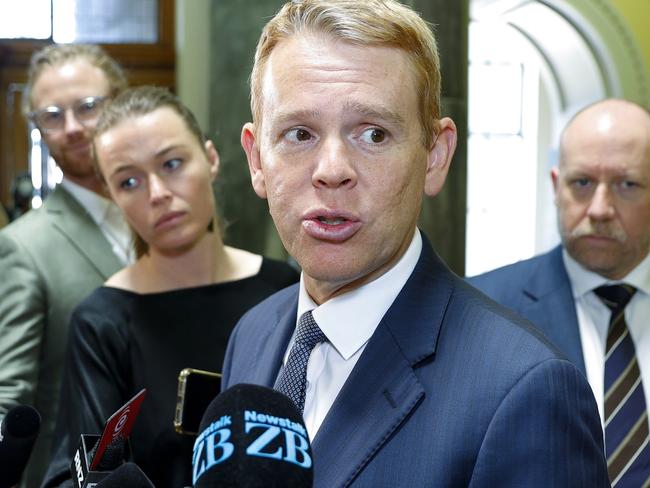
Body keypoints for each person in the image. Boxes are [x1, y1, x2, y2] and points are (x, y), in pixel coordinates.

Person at [220, 1, 610, 486]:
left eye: (373, 134)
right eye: (300, 134)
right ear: (257, 160)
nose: (332, 170)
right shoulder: (253, 333)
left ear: (435, 156)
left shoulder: (526, 390)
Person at [42, 86, 300, 487]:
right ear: (112, 197)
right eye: (128, 182)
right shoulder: (104, 322)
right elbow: (75, 476)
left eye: (172, 164)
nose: (158, 194)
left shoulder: (285, 289)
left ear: (211, 158)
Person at [470, 98, 650, 486]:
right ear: (556, 186)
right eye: (582, 183)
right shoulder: (481, 310)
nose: (600, 209)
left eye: (627, 185)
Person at [0, 43, 131, 488]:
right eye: (52, 116)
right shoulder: (23, 248)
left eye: (88, 107)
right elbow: (9, 400)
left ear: (122, 103)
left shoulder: (167, 220)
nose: (72, 128)